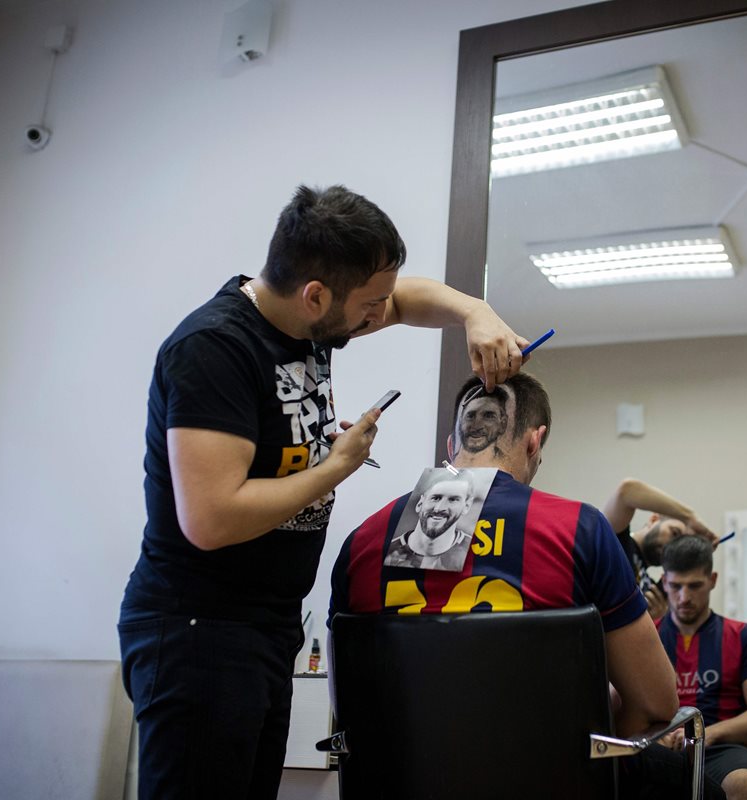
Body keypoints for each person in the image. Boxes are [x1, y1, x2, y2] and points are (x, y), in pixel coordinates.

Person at [118, 183, 531, 800]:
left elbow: (409, 297)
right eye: (371, 304)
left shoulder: (308, 322)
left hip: (265, 624)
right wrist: (334, 466)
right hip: (197, 629)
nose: (380, 315)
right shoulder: (214, 349)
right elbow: (211, 517)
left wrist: (477, 312)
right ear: (316, 295)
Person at [329, 374, 719, 799]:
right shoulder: (579, 530)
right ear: (535, 442)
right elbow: (655, 706)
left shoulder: (362, 543)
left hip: (399, 783)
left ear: (450, 446)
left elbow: (349, 709)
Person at [655, 536, 747, 800]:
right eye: (675, 586)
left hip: (721, 747)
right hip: (658, 746)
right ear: (664, 583)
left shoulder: (743, 636)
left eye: (695, 586)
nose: (684, 597)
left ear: (712, 580)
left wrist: (709, 734)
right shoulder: (647, 637)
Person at [603, 478, 718, 620]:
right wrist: (690, 517)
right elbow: (626, 491)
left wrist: (656, 620)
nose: (673, 546)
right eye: (674, 533)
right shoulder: (617, 542)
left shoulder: (655, 590)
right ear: (653, 520)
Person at [383, 467, 476, 570]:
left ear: (466, 506)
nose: (439, 508)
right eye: (435, 498)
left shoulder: (476, 553)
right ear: (420, 503)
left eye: (453, 500)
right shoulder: (387, 551)